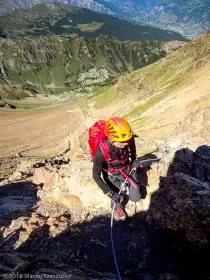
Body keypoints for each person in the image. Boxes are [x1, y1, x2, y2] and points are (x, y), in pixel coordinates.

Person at [92, 117, 142, 222]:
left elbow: (132, 152)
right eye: (122, 142)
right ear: (111, 139)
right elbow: (95, 175)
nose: (126, 143)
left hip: (127, 169)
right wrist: (110, 193)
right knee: (118, 197)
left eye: (127, 140)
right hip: (112, 175)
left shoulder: (128, 139)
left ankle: (127, 188)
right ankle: (117, 208)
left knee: (136, 197)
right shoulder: (101, 151)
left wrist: (134, 161)